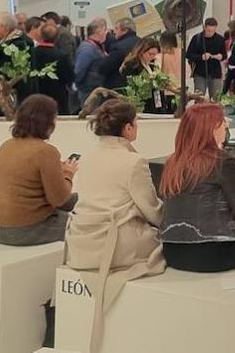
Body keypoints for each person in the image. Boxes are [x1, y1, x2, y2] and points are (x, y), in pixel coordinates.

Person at [65, 100, 164, 351]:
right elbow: (153, 211)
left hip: (81, 241)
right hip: (114, 245)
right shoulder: (134, 162)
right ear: (128, 129)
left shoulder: (86, 159)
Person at [158, 102, 235, 272]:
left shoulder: (172, 162)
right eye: (221, 121)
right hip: (213, 252)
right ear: (210, 128)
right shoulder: (223, 162)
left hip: (172, 252)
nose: (226, 124)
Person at [0, 95, 78, 246]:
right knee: (87, 222)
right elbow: (60, 200)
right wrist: (68, 174)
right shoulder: (46, 151)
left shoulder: (7, 146)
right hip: (25, 229)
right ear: (48, 122)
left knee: (78, 203)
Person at [29, 23, 75, 113]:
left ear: (41, 35)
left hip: (35, 95)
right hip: (57, 97)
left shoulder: (31, 54)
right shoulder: (61, 56)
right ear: (57, 38)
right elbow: (69, 77)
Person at [119, 37, 172, 114]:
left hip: (155, 103)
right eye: (150, 54)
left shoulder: (151, 65)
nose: (153, 57)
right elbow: (130, 87)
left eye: (155, 55)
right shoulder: (132, 65)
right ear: (141, 51)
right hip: (142, 105)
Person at [185, 17, 227, 100]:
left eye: (213, 31)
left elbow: (224, 55)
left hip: (215, 73)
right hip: (200, 72)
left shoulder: (220, 39)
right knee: (199, 97)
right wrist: (201, 57)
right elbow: (189, 54)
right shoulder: (197, 38)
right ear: (204, 27)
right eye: (208, 31)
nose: (211, 33)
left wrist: (221, 56)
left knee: (216, 98)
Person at [74, 18, 110, 104]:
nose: (106, 33)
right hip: (88, 92)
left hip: (95, 90)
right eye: (105, 30)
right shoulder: (87, 49)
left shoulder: (96, 46)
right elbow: (79, 71)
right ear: (99, 32)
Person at [97, 18, 139, 90]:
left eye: (116, 29)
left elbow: (104, 68)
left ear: (125, 30)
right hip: (138, 85)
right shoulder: (141, 42)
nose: (114, 32)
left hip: (119, 88)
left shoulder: (119, 47)